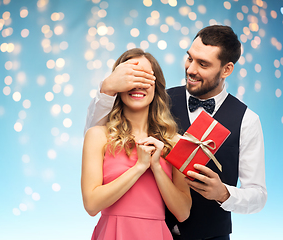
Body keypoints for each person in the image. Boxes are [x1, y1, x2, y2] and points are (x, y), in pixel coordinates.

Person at [84, 25, 267, 240]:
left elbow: (258, 195)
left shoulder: (247, 120)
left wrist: (224, 193)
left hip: (211, 235)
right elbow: (101, 131)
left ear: (226, 69)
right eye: (190, 58)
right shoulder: (154, 101)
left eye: (203, 64)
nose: (190, 69)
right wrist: (107, 90)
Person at [81, 48, 192, 240]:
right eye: (130, 77)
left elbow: (183, 212)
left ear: (156, 87)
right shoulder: (97, 136)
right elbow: (91, 205)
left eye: (145, 78)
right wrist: (140, 167)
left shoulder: (175, 142)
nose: (137, 85)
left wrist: (156, 166)